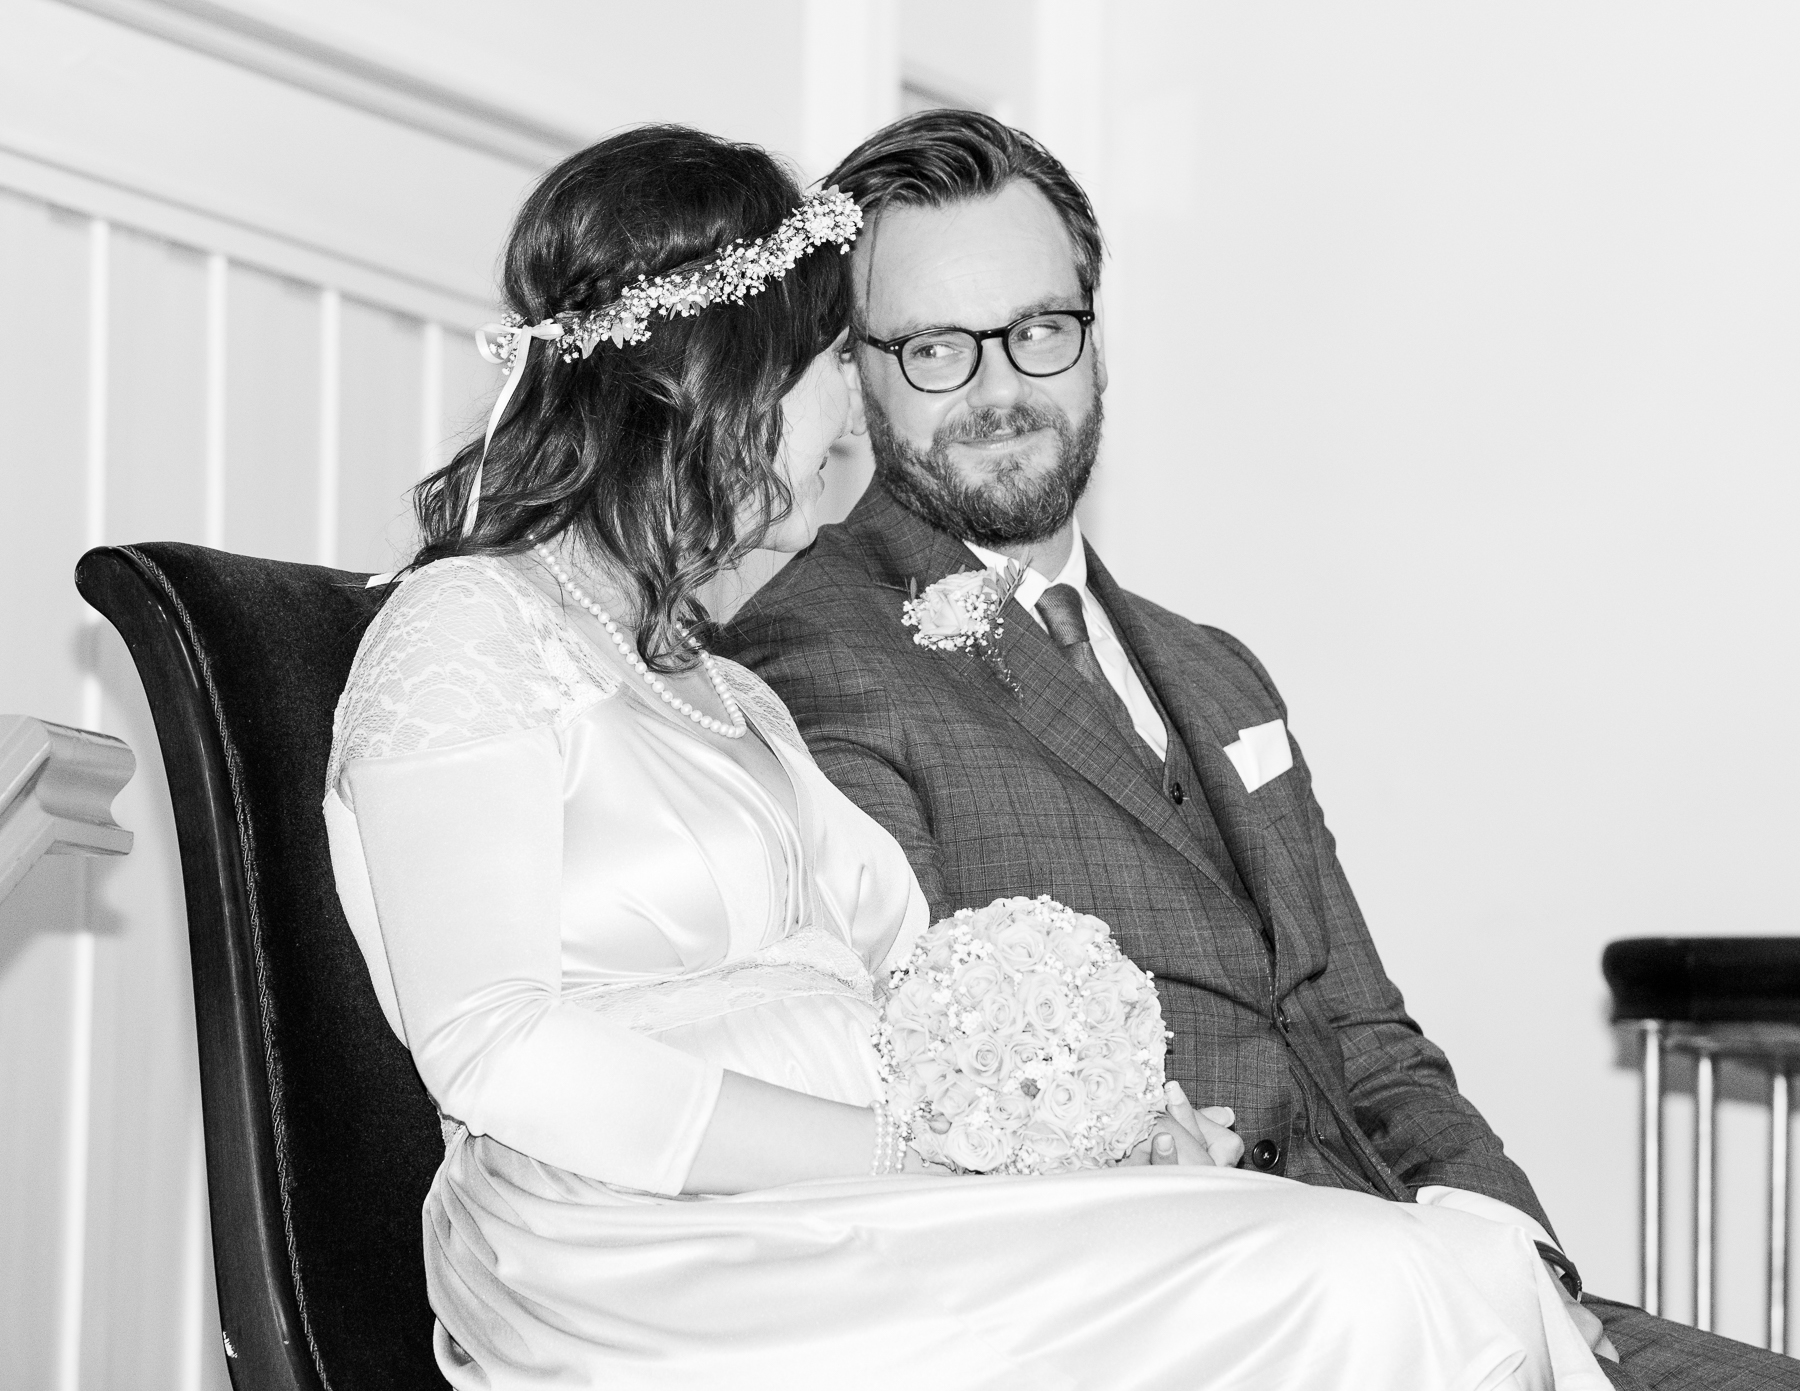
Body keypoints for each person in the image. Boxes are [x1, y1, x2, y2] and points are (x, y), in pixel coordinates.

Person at [326, 124, 1605, 1389]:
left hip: (890, 1198)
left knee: (1463, 1270)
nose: (850, 416)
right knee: (1377, 1281)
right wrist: (927, 1153)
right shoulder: (465, 625)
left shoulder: (720, 686)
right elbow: (491, 1043)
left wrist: (1109, 1136)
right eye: (836, 360)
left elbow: (911, 985)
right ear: (724, 379)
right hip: (664, 1235)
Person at [721, 110, 1797, 1390]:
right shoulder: (811, 651)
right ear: (855, 373)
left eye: (1040, 328)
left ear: (1096, 339)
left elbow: (1367, 1033)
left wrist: (1519, 1255)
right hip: (1194, 1321)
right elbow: (915, 1081)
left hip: (1433, 1277)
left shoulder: (1214, 666)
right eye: (938, 349)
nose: (1002, 390)